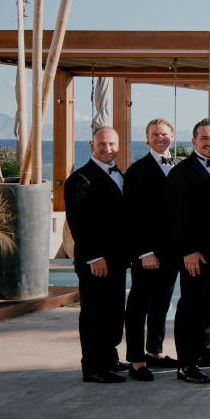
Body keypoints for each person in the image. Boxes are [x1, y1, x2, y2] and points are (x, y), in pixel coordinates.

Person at [65, 126, 130, 383]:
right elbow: (78, 222)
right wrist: (93, 257)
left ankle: (109, 357)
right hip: (97, 261)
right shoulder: (81, 178)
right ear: (92, 146)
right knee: (94, 312)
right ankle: (93, 367)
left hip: (117, 258)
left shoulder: (120, 175)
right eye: (102, 144)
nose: (107, 149)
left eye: (112, 144)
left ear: (118, 145)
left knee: (113, 309)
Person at [167, 118, 210, 384]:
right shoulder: (182, 172)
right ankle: (186, 364)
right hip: (195, 255)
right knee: (190, 306)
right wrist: (188, 251)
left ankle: (204, 352)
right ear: (193, 142)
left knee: (209, 305)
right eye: (204, 138)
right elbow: (176, 217)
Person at [123, 118, 180, 380]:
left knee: (162, 303)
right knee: (139, 306)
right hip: (149, 253)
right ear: (147, 137)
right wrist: (145, 252)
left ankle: (154, 352)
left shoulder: (178, 166)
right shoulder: (138, 171)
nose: (160, 138)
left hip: (173, 252)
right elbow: (134, 216)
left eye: (165, 134)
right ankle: (136, 360)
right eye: (155, 134)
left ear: (172, 136)